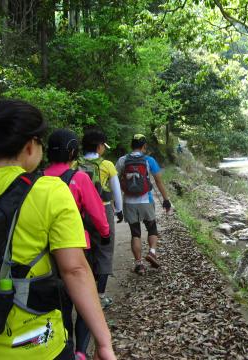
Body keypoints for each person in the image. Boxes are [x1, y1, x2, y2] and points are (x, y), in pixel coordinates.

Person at [0, 100, 115, 360]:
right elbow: (74, 269)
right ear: (30, 146)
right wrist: (103, 341)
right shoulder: (48, 191)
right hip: (39, 346)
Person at [44, 129, 110, 358]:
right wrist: (105, 233)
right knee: (83, 299)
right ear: (73, 151)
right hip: (78, 247)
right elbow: (96, 212)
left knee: (60, 303)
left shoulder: (38, 177)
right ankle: (81, 351)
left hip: (45, 254)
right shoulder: (78, 178)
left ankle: (65, 347)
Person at [116, 134, 171, 275]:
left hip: (129, 202)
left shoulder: (122, 160)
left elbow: (115, 181)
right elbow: (158, 181)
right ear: (144, 146)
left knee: (135, 233)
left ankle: (139, 264)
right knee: (152, 229)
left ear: (131, 145)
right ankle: (152, 252)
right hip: (146, 201)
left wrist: (117, 203)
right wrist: (166, 199)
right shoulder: (149, 160)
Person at [80, 129, 123, 307]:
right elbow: (116, 190)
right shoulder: (107, 165)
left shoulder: (75, 164)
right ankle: (100, 296)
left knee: (86, 252)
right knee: (105, 252)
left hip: (80, 213)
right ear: (99, 147)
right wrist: (119, 209)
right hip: (103, 211)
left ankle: (85, 293)